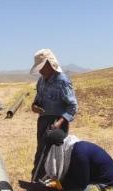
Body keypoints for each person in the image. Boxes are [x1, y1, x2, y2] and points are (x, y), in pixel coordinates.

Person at [42, 129, 113, 191]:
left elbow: (80, 183)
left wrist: (60, 186)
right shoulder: (75, 148)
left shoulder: (79, 153)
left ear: (58, 146)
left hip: (109, 187)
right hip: (97, 182)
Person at [30, 49, 78, 179]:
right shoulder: (41, 81)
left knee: (56, 156)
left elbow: (72, 106)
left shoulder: (62, 81)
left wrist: (59, 122)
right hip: (43, 122)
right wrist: (34, 106)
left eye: (42, 67)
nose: (40, 71)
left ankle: (52, 187)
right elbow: (38, 100)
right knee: (40, 153)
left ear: (49, 64)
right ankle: (35, 186)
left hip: (58, 123)